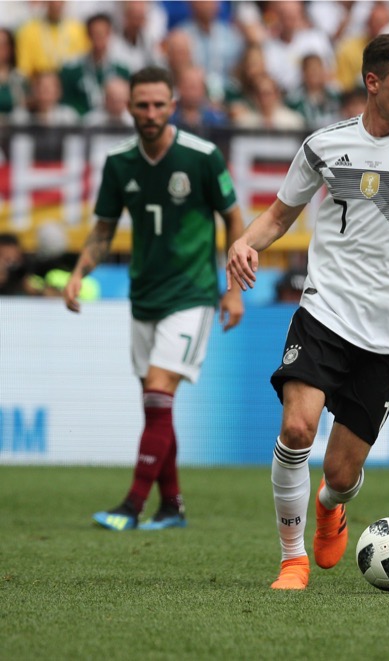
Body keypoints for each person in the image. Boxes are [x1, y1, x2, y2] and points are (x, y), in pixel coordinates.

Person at [226, 34, 389, 591]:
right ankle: (291, 560)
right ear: (373, 83)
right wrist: (247, 241)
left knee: (342, 475)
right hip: (325, 310)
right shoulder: (325, 145)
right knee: (297, 428)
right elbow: (279, 214)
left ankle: (329, 507)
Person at [64, 66, 245, 532]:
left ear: (173, 107)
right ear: (128, 108)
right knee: (154, 404)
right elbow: (103, 231)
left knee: (159, 393)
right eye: (141, 104)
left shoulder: (202, 156)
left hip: (190, 294)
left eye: (158, 104)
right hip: (143, 295)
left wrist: (233, 289)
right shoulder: (119, 162)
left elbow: (234, 219)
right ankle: (172, 507)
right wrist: (79, 271)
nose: (149, 112)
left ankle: (130, 506)